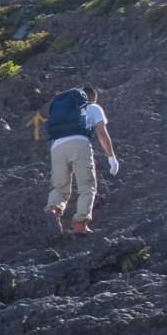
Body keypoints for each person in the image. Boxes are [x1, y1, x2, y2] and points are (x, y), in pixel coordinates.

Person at [45, 85, 118, 235]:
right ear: (92, 98)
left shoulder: (65, 109)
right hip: (79, 143)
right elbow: (101, 133)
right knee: (87, 186)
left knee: (60, 186)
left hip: (57, 146)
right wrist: (111, 157)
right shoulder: (93, 107)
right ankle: (80, 224)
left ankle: (54, 208)